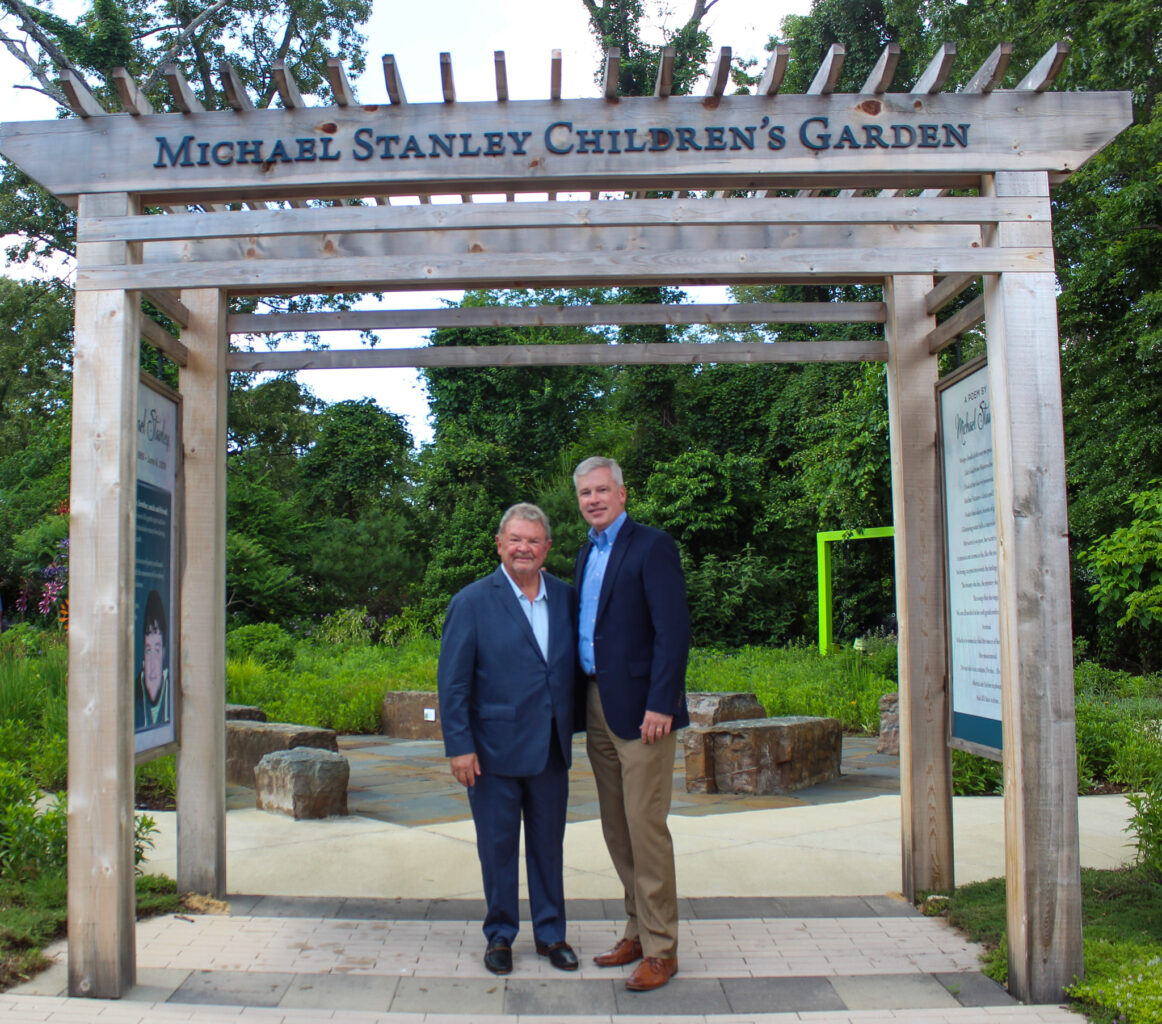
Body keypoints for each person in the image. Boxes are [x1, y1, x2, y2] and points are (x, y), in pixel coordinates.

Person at [437, 503, 579, 976]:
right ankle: (500, 935)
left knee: (547, 846)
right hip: (491, 752)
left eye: (533, 541)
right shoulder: (472, 601)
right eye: (515, 539)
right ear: (500, 544)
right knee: (497, 847)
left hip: (550, 749)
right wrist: (459, 745)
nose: (524, 548)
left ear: (547, 548)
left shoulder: (565, 598)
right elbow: (453, 683)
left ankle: (551, 934)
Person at [573, 455, 691, 992]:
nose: (593, 500)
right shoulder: (584, 553)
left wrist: (662, 703)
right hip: (597, 704)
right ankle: (636, 930)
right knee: (616, 826)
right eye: (584, 494)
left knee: (645, 828)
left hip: (645, 712)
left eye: (602, 490)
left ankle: (662, 949)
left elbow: (673, 630)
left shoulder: (653, 546)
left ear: (622, 493)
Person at [135, 588, 171, 731]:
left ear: (164, 651)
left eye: (157, 650)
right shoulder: (134, 695)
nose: (153, 664)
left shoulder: (173, 692)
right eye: (148, 650)